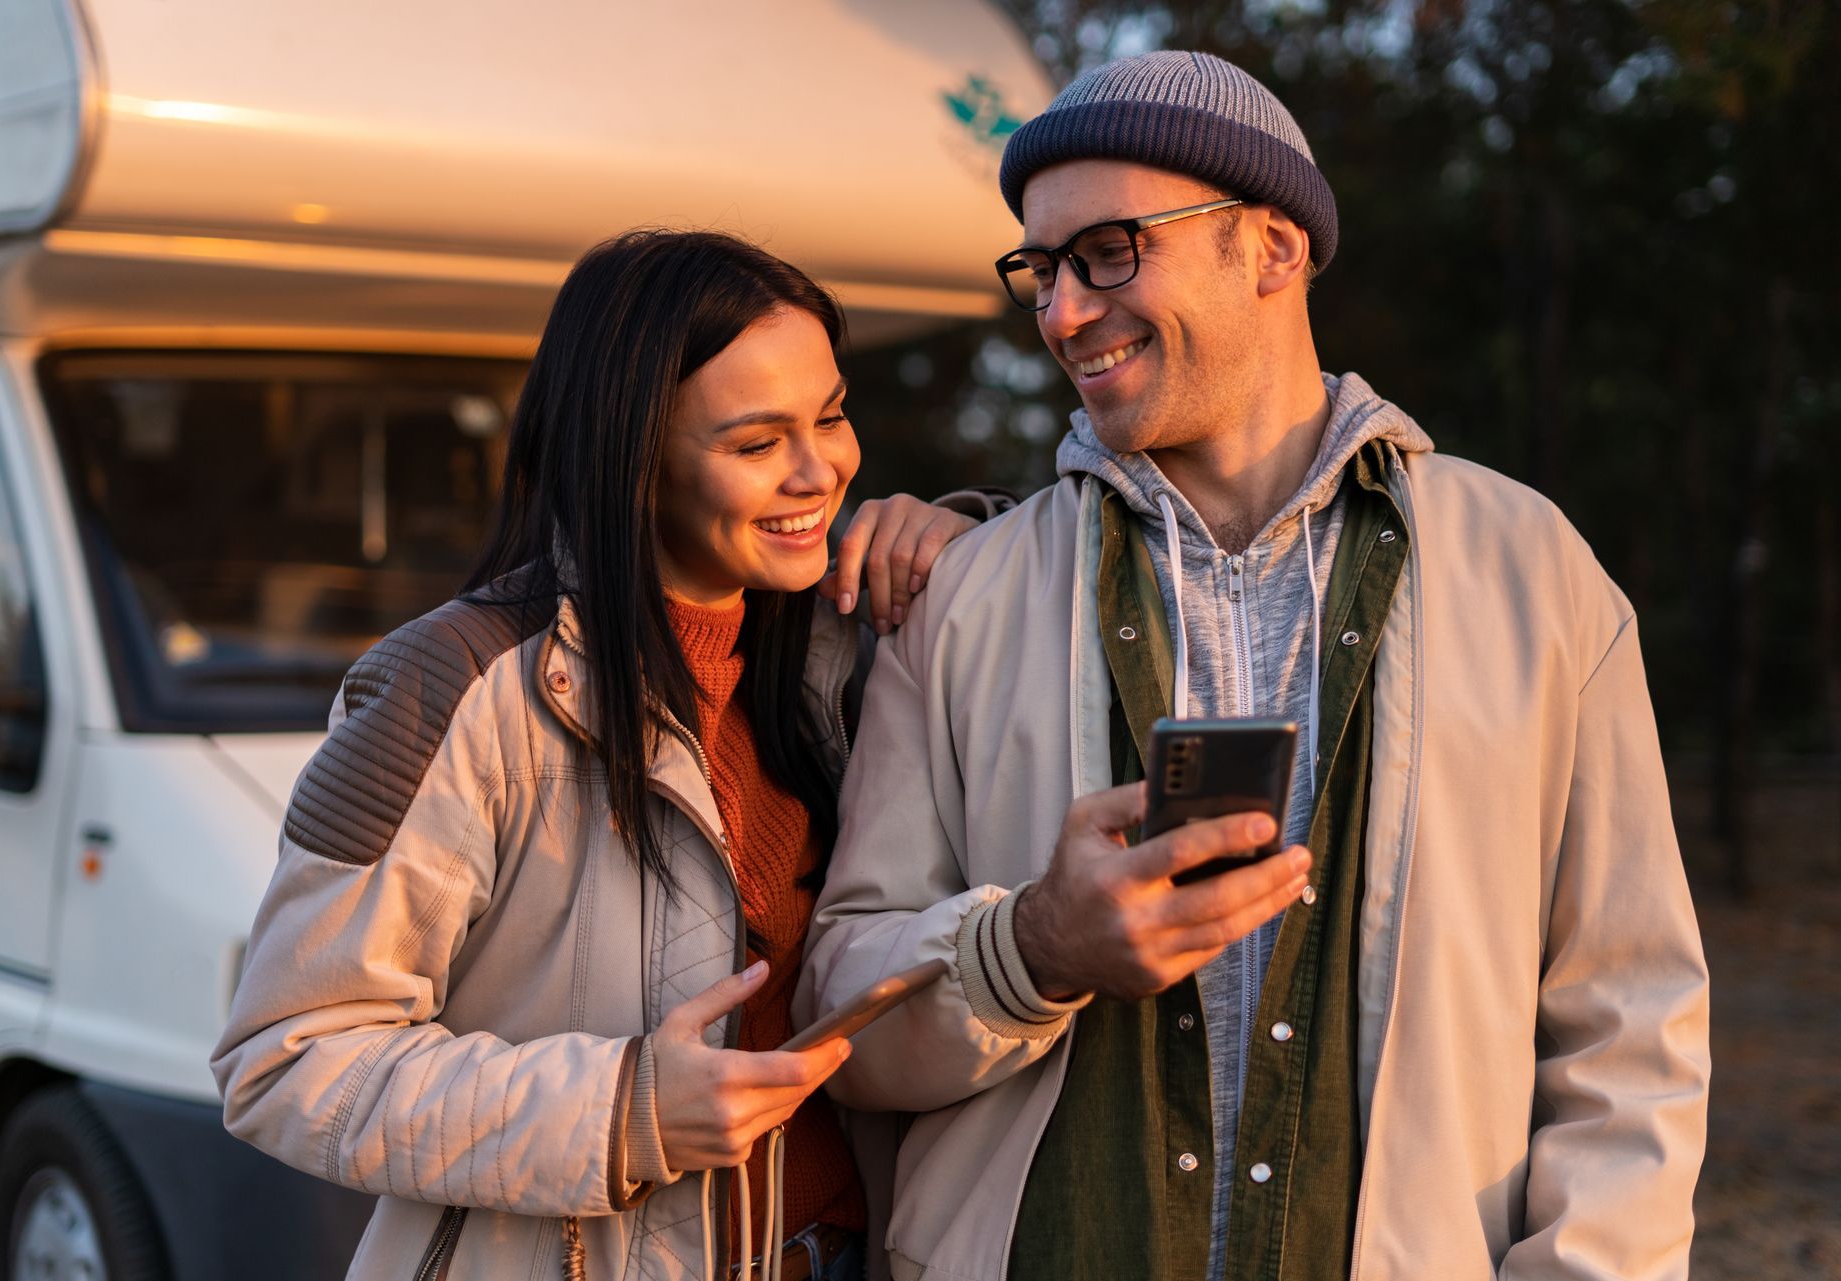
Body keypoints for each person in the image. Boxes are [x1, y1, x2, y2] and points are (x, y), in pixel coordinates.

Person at [800, 50, 1710, 1281]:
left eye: (1111, 250)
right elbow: (840, 1017)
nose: (1063, 312)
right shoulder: (959, 596)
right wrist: (1036, 951)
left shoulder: (1535, 575)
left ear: (1273, 251)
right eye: (1042, 270)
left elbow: (1629, 1021)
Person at [212, 229, 997, 1281]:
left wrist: (961, 551)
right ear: (634, 456)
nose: (821, 470)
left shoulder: (835, 650)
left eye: (832, 414)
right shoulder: (453, 686)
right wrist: (625, 1113)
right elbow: (287, 1062)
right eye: (758, 443)